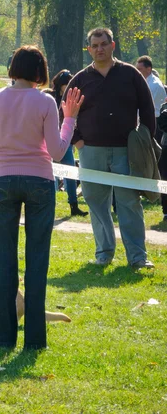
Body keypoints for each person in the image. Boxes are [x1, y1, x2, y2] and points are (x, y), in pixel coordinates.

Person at [0, 45, 84, 350]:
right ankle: (35, 341)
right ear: (40, 71)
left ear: (12, 67)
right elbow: (57, 151)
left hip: (3, 181)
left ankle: (5, 339)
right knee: (37, 261)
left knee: (4, 261)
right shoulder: (45, 101)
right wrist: (69, 118)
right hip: (39, 180)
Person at [65, 28, 156, 270]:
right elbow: (65, 111)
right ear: (89, 49)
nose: (99, 49)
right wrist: (77, 140)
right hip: (90, 151)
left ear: (112, 45)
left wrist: (144, 140)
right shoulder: (80, 80)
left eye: (104, 44)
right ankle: (103, 254)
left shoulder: (130, 74)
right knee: (96, 203)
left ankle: (138, 257)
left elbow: (147, 109)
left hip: (126, 151)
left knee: (129, 203)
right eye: (94, 45)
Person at [50, 70, 88, 217]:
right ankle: (50, 204)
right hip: (52, 138)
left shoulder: (72, 98)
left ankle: (73, 205)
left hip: (66, 139)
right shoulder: (51, 97)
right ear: (61, 84)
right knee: (50, 174)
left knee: (70, 173)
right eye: (67, 83)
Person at [135, 56, 166, 143]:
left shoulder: (153, 85)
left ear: (148, 69)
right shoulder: (147, 82)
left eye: (139, 69)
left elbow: (144, 107)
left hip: (155, 123)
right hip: (150, 120)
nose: (137, 71)